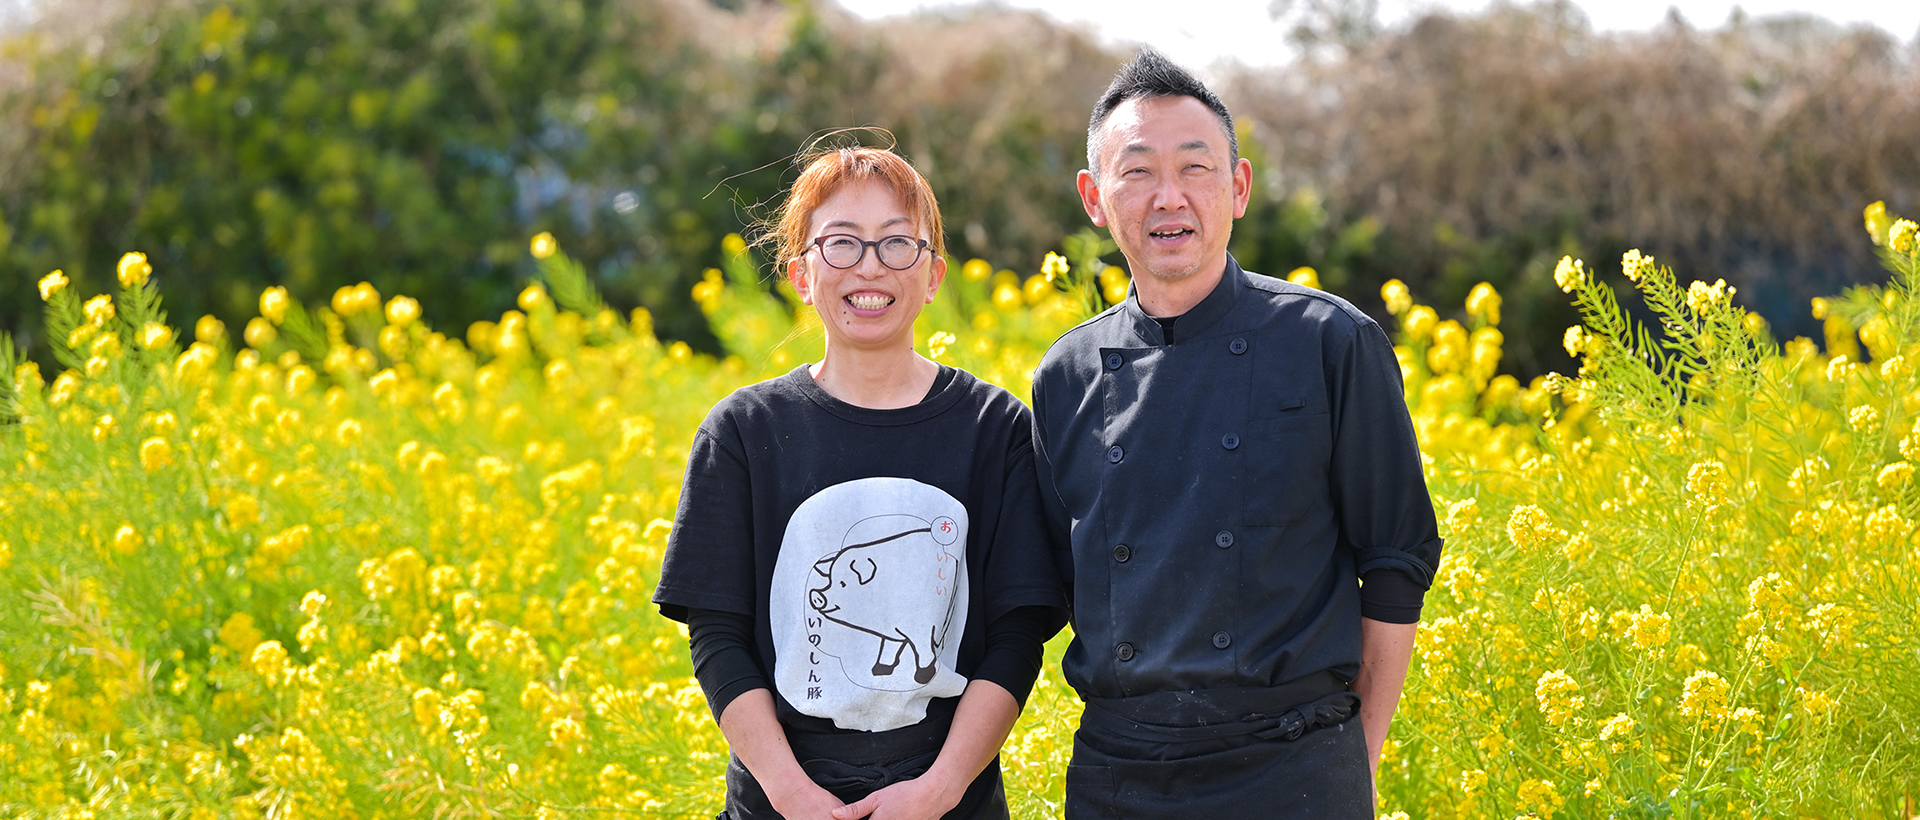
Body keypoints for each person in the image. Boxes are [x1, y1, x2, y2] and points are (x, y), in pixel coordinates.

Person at [1029, 50, 1444, 818]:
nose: (1170, 198)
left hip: (1293, 764)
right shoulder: (1067, 374)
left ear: (1239, 187)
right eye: (1138, 172)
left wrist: (1361, 752)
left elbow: (1396, 559)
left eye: (1196, 168)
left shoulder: (1330, 342)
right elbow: (1046, 582)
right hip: (1118, 773)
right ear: (1094, 197)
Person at [652, 144, 1067, 820]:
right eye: (841, 245)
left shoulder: (995, 429)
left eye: (897, 245)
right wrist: (793, 796)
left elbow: (1016, 635)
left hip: (949, 800)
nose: (869, 267)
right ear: (800, 274)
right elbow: (718, 637)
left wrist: (939, 789)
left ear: (933, 276)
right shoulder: (743, 432)